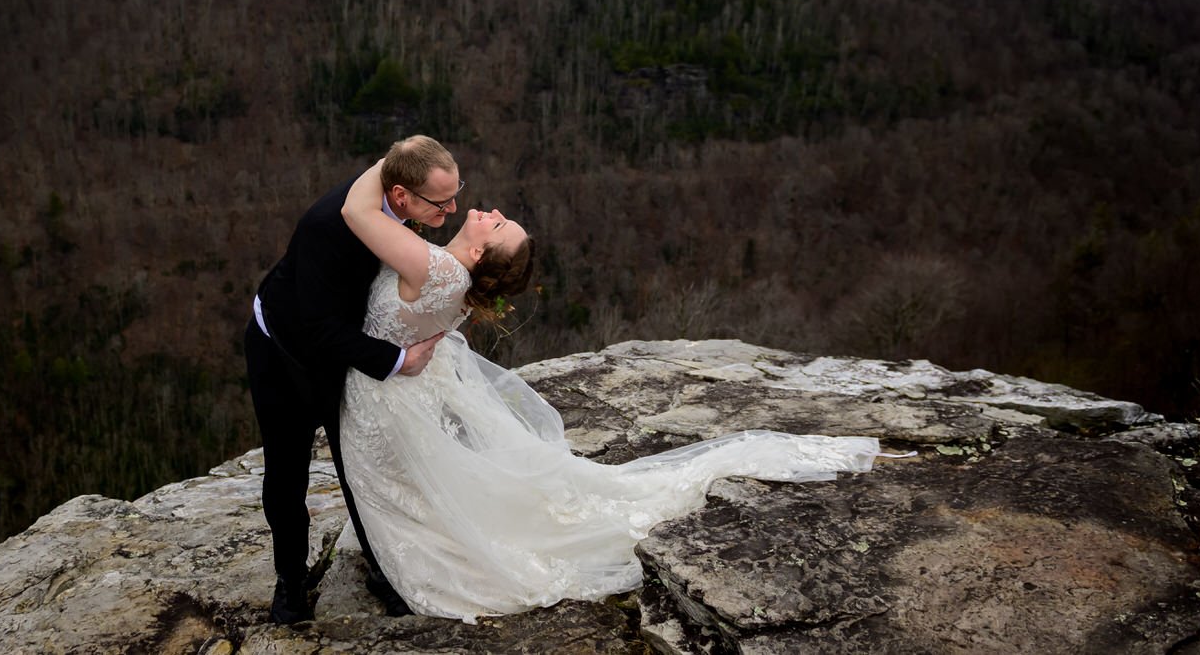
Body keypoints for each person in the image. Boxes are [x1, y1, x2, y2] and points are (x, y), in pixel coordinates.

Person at [335, 158, 887, 623]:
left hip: (384, 402)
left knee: (403, 491)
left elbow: (356, 212)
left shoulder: (439, 272)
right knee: (413, 489)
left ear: (479, 256)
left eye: (497, 226)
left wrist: (397, 162)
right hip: (396, 392)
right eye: (503, 220)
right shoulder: (448, 275)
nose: (492, 213)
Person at [244, 135, 464, 624]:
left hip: (341, 346)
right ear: (402, 194)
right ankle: (291, 582)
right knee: (286, 471)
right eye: (441, 200)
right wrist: (396, 361)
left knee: (362, 465)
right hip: (283, 349)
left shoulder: (393, 197)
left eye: (455, 193)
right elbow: (320, 328)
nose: (452, 208)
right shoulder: (329, 226)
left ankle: (385, 571)